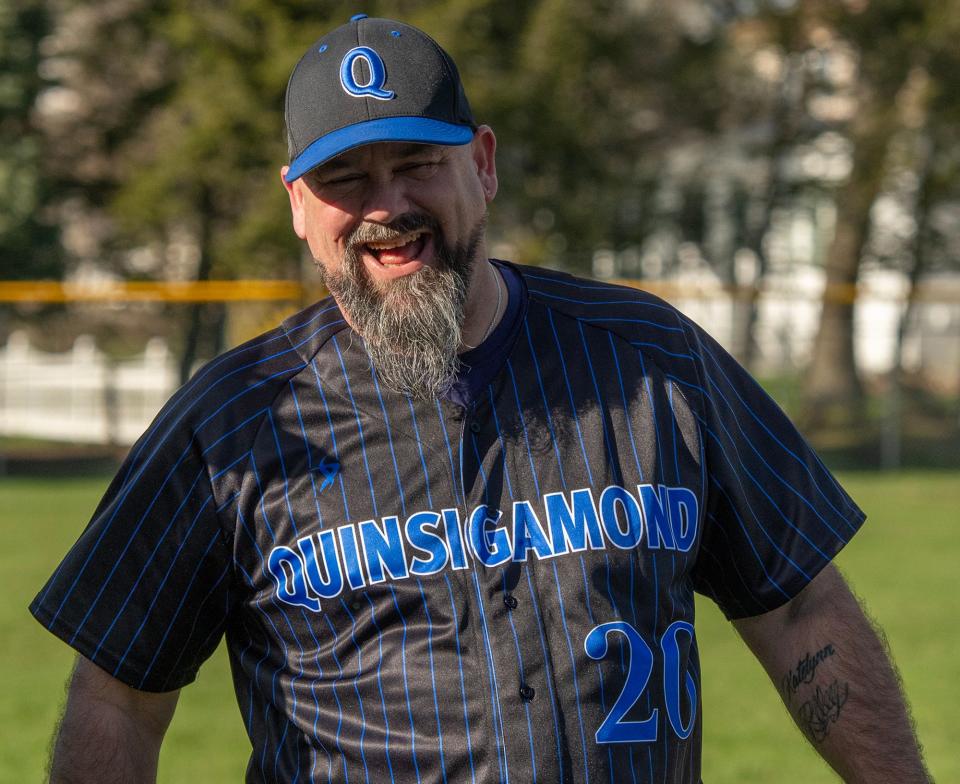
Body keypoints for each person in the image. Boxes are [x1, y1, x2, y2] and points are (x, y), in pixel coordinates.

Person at [32, 14, 931, 784]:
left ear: (484, 165)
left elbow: (802, 609)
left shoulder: (655, 362)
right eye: (345, 178)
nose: (387, 205)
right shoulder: (231, 422)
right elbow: (119, 697)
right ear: (297, 206)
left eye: (419, 162)